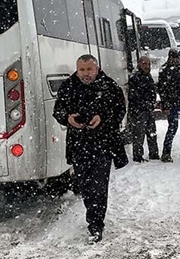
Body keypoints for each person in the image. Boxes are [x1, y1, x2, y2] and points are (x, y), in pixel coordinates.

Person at [53, 54, 127, 244]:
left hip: (103, 144)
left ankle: (96, 225)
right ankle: (92, 214)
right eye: (81, 70)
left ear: (96, 68)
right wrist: (67, 118)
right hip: (79, 145)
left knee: (99, 186)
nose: (85, 74)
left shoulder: (109, 86)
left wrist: (102, 118)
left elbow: (120, 111)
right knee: (85, 186)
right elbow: (58, 110)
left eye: (89, 69)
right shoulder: (68, 87)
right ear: (77, 70)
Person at [128, 56, 159, 163]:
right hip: (138, 111)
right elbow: (134, 96)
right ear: (139, 64)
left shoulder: (148, 76)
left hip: (148, 109)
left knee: (152, 132)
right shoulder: (135, 77)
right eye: (144, 64)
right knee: (138, 134)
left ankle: (154, 154)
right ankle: (138, 156)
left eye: (148, 64)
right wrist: (145, 104)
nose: (147, 66)